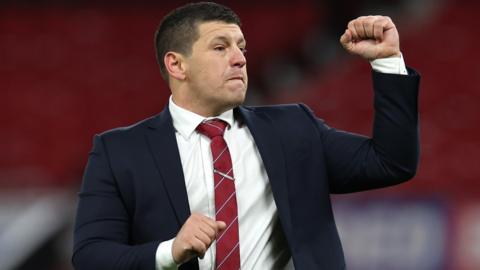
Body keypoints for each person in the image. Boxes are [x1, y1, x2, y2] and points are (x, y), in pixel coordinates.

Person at [72, 2, 420, 270]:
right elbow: (91, 255)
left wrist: (388, 62)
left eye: (242, 47)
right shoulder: (120, 151)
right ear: (177, 65)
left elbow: (391, 162)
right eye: (220, 47)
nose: (239, 59)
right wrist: (170, 251)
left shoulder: (293, 128)